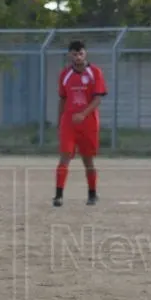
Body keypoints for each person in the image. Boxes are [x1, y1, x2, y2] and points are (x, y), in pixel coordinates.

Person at [53, 40, 107, 207]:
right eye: (74, 54)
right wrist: (60, 121)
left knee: (88, 160)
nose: (78, 57)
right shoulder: (65, 74)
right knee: (64, 157)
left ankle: (92, 194)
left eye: (80, 53)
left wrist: (83, 114)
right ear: (70, 55)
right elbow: (62, 99)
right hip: (69, 123)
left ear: (86, 54)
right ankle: (58, 195)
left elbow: (98, 99)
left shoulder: (95, 73)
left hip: (88, 122)